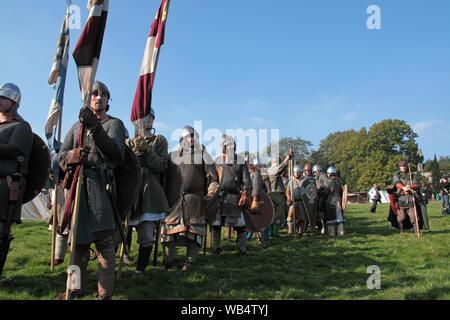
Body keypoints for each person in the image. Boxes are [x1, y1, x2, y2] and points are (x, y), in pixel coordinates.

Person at [57, 81, 126, 299]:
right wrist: (71, 157)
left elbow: (115, 153)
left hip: (101, 187)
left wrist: (95, 128)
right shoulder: (77, 127)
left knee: (105, 243)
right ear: (88, 99)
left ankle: (104, 293)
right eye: (95, 93)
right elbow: (60, 157)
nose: (99, 97)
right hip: (78, 188)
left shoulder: (115, 124)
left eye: (104, 94)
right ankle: (75, 289)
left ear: (108, 100)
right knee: (77, 245)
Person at [160, 126, 218, 271]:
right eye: (189, 137)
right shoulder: (171, 156)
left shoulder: (204, 156)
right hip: (173, 201)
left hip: (195, 200)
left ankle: (189, 262)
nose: (192, 140)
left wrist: (211, 191)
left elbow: (213, 177)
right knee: (168, 234)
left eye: (194, 137)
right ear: (181, 140)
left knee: (194, 234)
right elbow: (162, 177)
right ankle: (168, 261)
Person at [126, 108, 169, 274]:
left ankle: (140, 270)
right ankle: (114, 264)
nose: (144, 121)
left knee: (147, 236)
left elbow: (162, 166)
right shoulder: (127, 142)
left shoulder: (159, 141)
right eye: (141, 118)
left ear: (152, 121)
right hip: (129, 191)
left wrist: (148, 151)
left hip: (149, 192)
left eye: (147, 118)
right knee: (118, 233)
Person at [0, 83, 33, 276]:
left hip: (6, 187)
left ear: (13, 103)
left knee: (1, 234)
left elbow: (17, 153)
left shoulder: (21, 127)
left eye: (3, 98)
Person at [211, 134, 251, 256]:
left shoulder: (240, 161)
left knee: (240, 226)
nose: (231, 146)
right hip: (219, 198)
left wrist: (245, 193)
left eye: (232, 144)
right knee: (216, 225)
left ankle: (243, 250)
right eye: (228, 145)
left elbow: (246, 180)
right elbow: (213, 179)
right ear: (223, 147)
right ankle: (216, 248)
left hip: (234, 198)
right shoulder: (217, 161)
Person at [390, 161, 421, 235]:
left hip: (410, 198)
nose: (403, 167)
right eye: (402, 166)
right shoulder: (396, 175)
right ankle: (401, 230)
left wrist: (410, 187)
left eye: (404, 166)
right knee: (401, 217)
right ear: (399, 167)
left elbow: (416, 185)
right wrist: (403, 188)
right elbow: (397, 183)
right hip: (400, 198)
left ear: (406, 167)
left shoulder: (412, 175)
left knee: (414, 217)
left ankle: (417, 232)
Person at [267, 151, 293, 236]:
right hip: (275, 195)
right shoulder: (271, 170)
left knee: (278, 214)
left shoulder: (272, 170)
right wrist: (288, 157)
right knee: (275, 215)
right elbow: (280, 168)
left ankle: (274, 233)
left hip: (278, 195)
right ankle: (273, 233)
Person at [285, 165, 308, 237]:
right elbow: (288, 191)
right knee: (290, 218)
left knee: (302, 218)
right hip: (293, 202)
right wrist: (289, 198)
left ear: (301, 172)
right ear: (294, 173)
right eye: (296, 172)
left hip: (301, 202)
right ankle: (290, 231)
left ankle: (300, 232)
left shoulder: (304, 181)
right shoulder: (291, 181)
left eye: (298, 172)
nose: (297, 174)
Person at [323, 166, 345, 237]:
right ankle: (340, 233)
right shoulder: (339, 181)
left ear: (329, 174)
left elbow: (326, 192)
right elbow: (342, 192)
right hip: (338, 201)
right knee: (339, 218)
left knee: (330, 218)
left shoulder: (328, 181)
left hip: (330, 202)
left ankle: (332, 233)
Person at [312, 164, 327, 234]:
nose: (314, 174)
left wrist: (319, 191)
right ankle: (319, 226)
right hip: (317, 197)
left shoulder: (323, 177)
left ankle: (324, 227)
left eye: (315, 172)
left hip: (323, 197)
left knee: (321, 212)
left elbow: (325, 188)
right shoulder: (315, 179)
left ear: (318, 171)